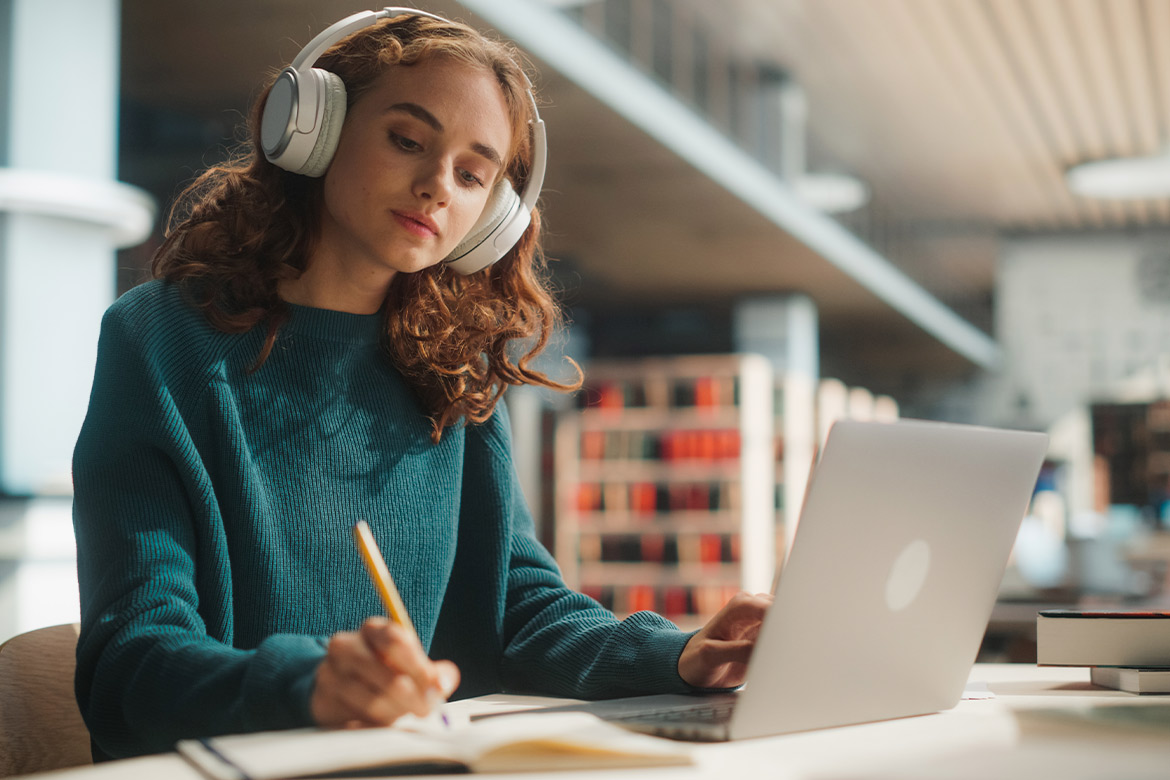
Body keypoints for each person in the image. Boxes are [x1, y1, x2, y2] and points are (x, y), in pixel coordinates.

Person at [72, 8, 771, 761]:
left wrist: (677, 655)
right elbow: (132, 659)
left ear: (490, 216)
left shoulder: (454, 371)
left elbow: (522, 610)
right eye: (407, 140)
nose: (438, 186)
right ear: (315, 128)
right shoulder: (161, 340)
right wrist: (309, 687)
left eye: (473, 173)